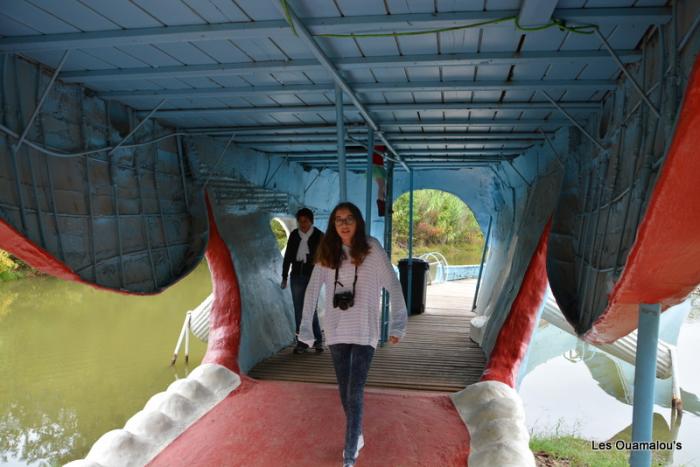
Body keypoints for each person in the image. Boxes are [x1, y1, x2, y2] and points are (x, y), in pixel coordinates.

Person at [299, 202, 407, 467]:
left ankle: (349, 454)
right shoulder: (328, 251)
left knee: (355, 391)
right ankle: (356, 434)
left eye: (349, 219)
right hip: (336, 330)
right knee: (344, 391)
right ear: (333, 225)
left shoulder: (372, 249)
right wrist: (305, 329)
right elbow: (312, 290)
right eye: (338, 220)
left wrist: (397, 324)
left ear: (358, 221)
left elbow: (392, 284)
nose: (344, 224)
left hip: (364, 330)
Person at [281, 208, 324, 354]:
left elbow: (325, 258)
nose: (302, 224)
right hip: (296, 277)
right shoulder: (294, 235)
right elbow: (287, 257)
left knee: (311, 309)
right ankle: (302, 343)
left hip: (314, 277)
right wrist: (284, 276)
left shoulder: (319, 236)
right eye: (300, 221)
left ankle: (317, 340)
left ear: (311, 221)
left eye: (305, 221)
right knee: (299, 310)